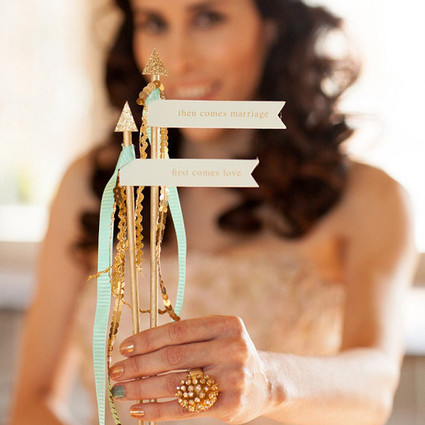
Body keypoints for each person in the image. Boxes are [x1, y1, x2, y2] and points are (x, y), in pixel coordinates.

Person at [9, 0, 418, 424]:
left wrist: (269, 382)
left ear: (272, 25)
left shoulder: (368, 198)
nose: (176, 60)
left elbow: (374, 386)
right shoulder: (93, 184)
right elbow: (34, 399)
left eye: (207, 19)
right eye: (154, 22)